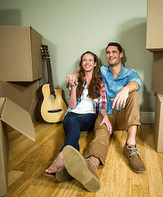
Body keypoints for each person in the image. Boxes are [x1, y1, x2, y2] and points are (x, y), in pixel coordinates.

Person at [62, 42, 145, 192]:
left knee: (134, 95)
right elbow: (86, 68)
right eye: (108, 52)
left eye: (114, 52)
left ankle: (130, 146)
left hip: (125, 115)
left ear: (121, 54)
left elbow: (136, 83)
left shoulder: (129, 73)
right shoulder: (102, 70)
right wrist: (74, 75)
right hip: (107, 113)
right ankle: (91, 164)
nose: (111, 55)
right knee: (100, 134)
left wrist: (126, 89)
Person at [44, 51, 112, 182]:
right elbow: (72, 106)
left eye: (90, 60)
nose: (87, 63)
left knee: (74, 122)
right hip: (72, 114)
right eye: (84, 60)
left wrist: (106, 117)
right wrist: (74, 87)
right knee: (72, 119)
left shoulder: (100, 82)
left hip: (88, 117)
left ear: (95, 63)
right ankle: (71, 162)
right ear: (81, 63)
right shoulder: (74, 80)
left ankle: (61, 156)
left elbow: (102, 104)